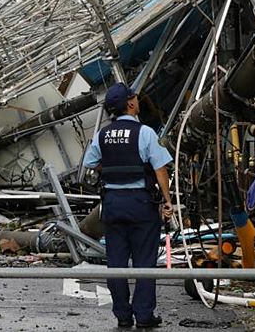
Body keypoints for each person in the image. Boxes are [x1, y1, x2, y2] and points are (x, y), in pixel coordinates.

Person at [83, 82, 174, 329]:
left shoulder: (103, 134)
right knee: (145, 261)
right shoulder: (145, 133)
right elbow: (160, 169)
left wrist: (112, 168)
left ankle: (123, 315)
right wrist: (167, 201)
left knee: (116, 262)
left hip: (112, 204)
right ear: (130, 104)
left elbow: (90, 162)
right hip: (140, 203)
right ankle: (144, 315)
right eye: (134, 98)